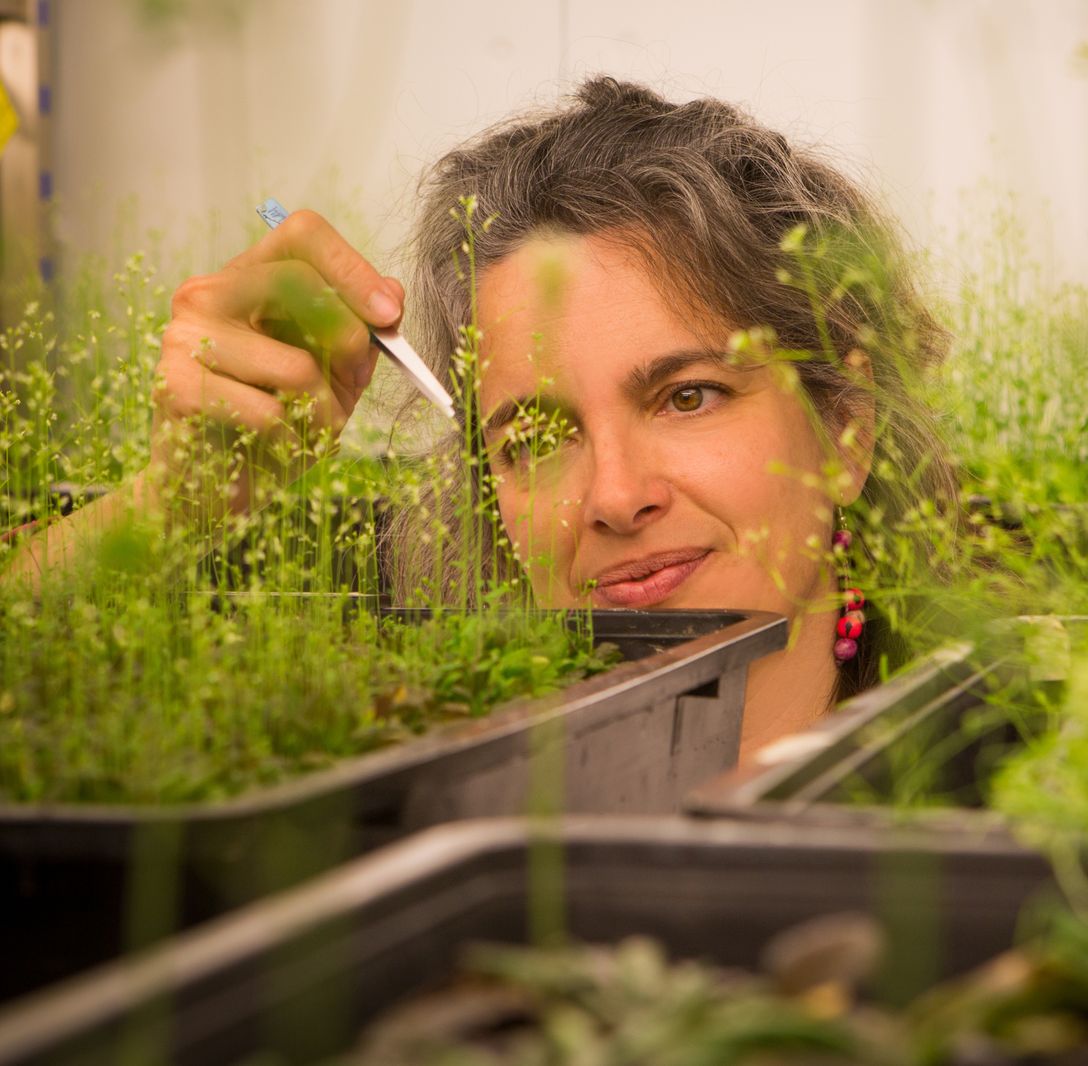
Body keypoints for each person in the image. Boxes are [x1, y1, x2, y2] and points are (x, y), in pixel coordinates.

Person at [2, 77, 959, 758]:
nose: (615, 496)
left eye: (688, 396)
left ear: (845, 429)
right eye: (535, 439)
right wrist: (174, 503)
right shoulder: (391, 714)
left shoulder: (1005, 748)